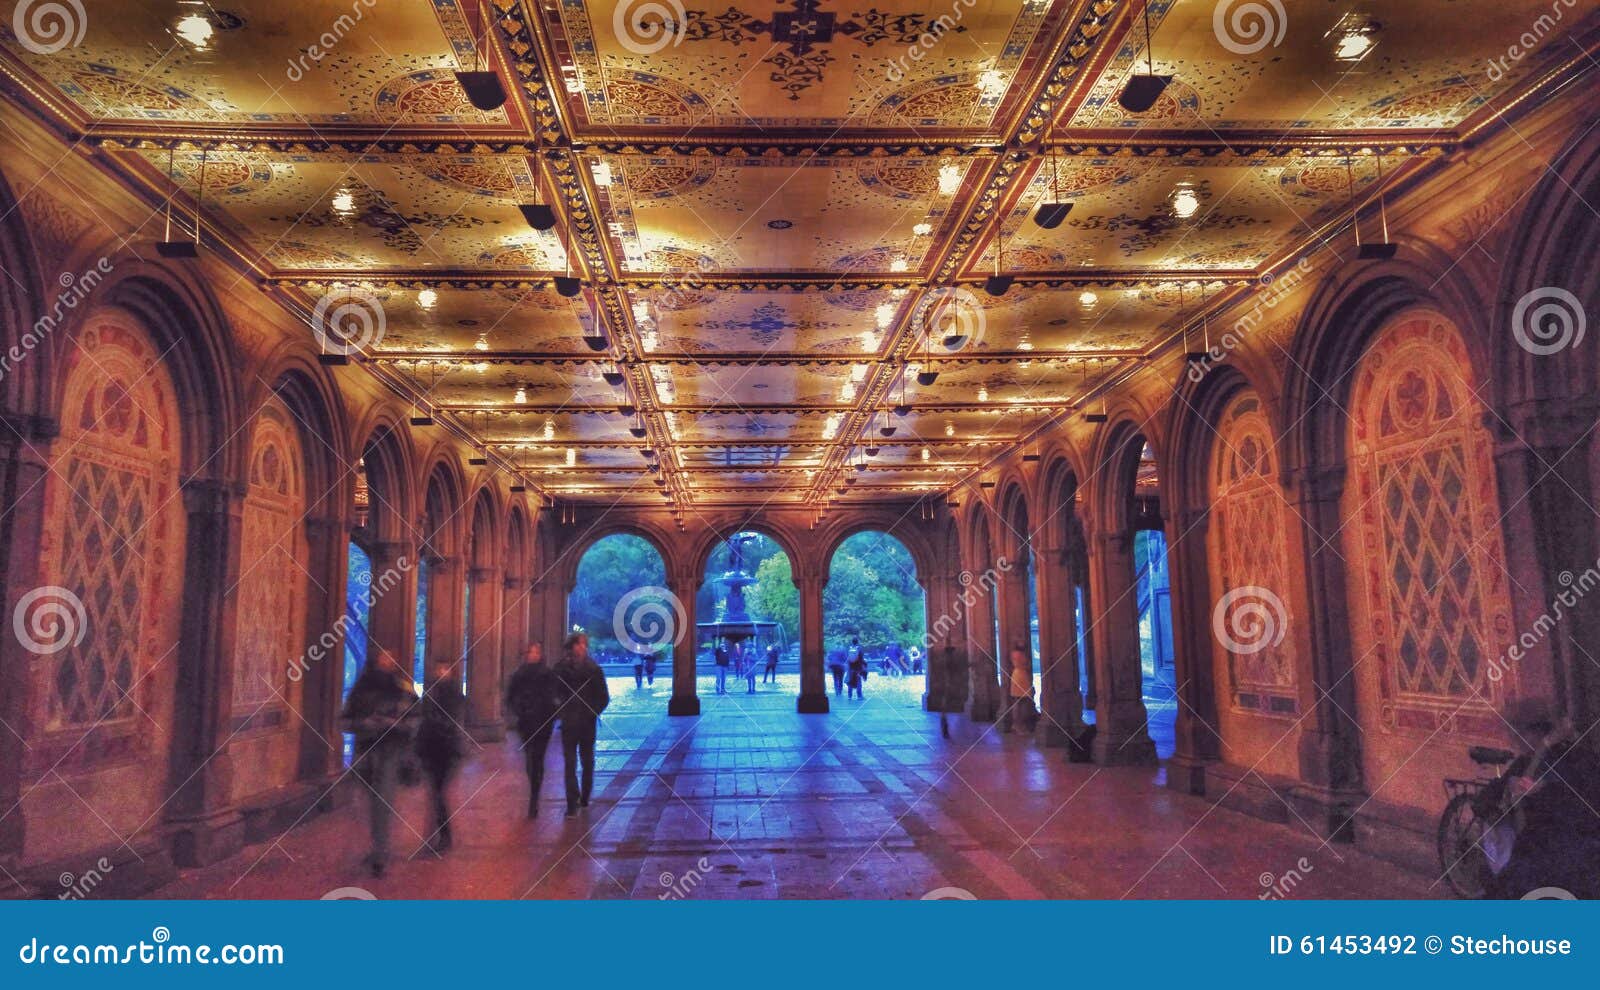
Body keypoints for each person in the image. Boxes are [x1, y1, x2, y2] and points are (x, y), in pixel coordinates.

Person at [1489, 700, 1600, 899]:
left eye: (1517, 735)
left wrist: (1543, 789)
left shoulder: (1566, 757)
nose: (1514, 742)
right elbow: (1492, 794)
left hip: (1564, 851)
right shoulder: (1529, 761)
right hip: (1554, 851)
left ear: (1532, 733)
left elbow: (1578, 797)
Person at [340, 648, 417, 877]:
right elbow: (346, 721)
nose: (388, 661)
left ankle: (380, 852)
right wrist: (367, 723)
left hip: (390, 752)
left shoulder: (402, 689)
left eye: (391, 657)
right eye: (384, 657)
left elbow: (415, 719)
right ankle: (378, 845)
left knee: (383, 801)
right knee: (371, 803)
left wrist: (396, 725)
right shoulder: (360, 689)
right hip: (365, 753)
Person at [553, 631, 610, 817]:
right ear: (571, 647)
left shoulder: (593, 669)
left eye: (584, 644)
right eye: (578, 644)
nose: (582, 647)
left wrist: (592, 712)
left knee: (587, 762)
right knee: (570, 763)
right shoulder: (560, 669)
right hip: (569, 723)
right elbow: (554, 693)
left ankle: (585, 796)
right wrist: (561, 710)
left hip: (587, 723)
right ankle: (572, 802)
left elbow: (603, 697)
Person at [415, 657, 466, 853]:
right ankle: (436, 835)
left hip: (447, 749)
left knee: (437, 793)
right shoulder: (431, 693)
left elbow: (453, 719)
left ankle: (441, 835)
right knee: (435, 793)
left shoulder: (453, 695)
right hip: (430, 747)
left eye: (445, 669)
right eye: (439, 669)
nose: (441, 673)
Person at [505, 642, 558, 818]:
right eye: (531, 652)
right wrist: (519, 710)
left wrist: (552, 714)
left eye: (537, 652)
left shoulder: (547, 674)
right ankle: (534, 788)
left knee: (538, 758)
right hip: (526, 722)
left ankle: (535, 795)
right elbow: (510, 696)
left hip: (543, 722)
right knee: (530, 758)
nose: (533, 655)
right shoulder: (519, 675)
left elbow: (555, 696)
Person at [1007, 642, 1037, 733]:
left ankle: (1015, 724)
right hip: (1022, 676)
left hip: (1015, 675)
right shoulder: (1022, 655)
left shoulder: (1012, 654)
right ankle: (1021, 725)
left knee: (1016, 702)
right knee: (1024, 701)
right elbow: (1026, 665)